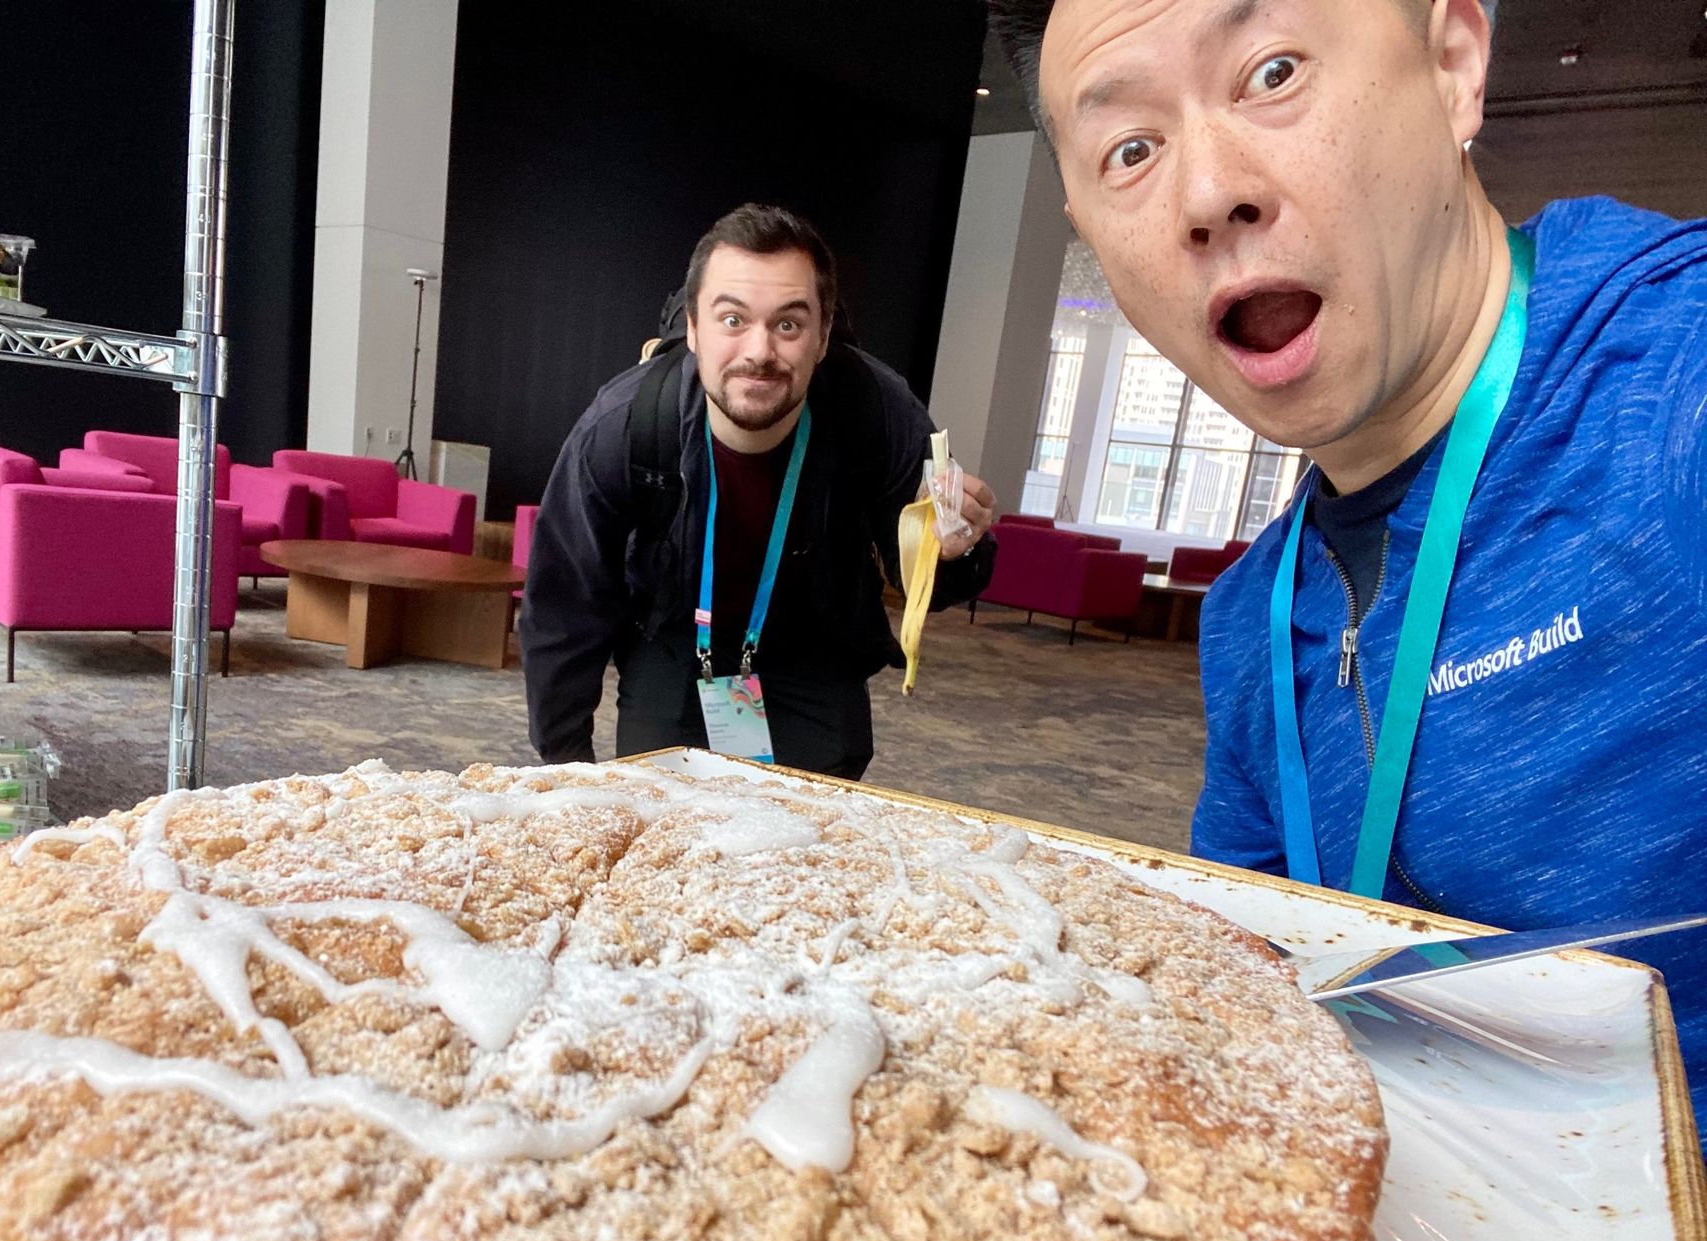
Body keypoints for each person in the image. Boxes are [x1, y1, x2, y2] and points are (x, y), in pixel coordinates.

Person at [993, 0, 1707, 1118]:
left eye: (1270, 73)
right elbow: (1252, 992)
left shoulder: (1673, 387)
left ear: (1452, 61)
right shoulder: (1251, 624)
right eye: (1130, 150)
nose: (1204, 193)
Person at [520, 203, 999, 778]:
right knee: (660, 826)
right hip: (674, 642)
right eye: (732, 320)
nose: (759, 351)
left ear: (822, 338)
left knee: (814, 842)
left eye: (788, 324)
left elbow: (931, 584)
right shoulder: (624, 426)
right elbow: (564, 607)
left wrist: (956, 551)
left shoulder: (874, 413)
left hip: (814, 648)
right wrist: (563, 765)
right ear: (692, 329)